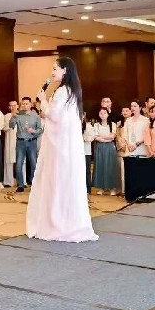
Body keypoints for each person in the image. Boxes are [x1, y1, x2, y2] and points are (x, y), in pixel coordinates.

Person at [27, 57, 98, 243]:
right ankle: (66, 222)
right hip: (66, 145)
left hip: (59, 147)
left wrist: (43, 100)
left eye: (55, 68)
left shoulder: (62, 91)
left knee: (57, 181)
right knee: (64, 181)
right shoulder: (71, 91)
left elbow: (54, 115)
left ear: (64, 70)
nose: (52, 72)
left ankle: (56, 224)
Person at [10, 97, 43, 192]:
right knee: (19, 163)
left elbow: (40, 130)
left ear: (30, 104)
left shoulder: (35, 116)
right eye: (23, 104)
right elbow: (11, 126)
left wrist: (33, 131)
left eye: (26, 104)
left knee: (33, 163)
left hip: (32, 141)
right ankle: (20, 184)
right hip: (20, 142)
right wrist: (13, 117)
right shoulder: (18, 115)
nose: (24, 106)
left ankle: (34, 183)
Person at [88, 107, 120, 196]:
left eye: (104, 113)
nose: (103, 115)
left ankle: (112, 188)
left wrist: (102, 137)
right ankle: (101, 187)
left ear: (108, 114)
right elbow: (95, 137)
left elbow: (112, 137)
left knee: (110, 166)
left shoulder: (112, 124)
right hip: (99, 147)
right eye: (101, 113)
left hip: (110, 147)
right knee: (100, 166)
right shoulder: (96, 125)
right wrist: (105, 138)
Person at [2, 100, 19, 188]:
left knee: (21, 161)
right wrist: (11, 124)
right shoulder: (6, 116)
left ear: (17, 106)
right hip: (9, 140)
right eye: (11, 106)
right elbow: (3, 127)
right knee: (8, 160)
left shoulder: (21, 115)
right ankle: (8, 181)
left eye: (14, 105)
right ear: (9, 107)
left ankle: (21, 181)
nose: (13, 107)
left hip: (19, 140)